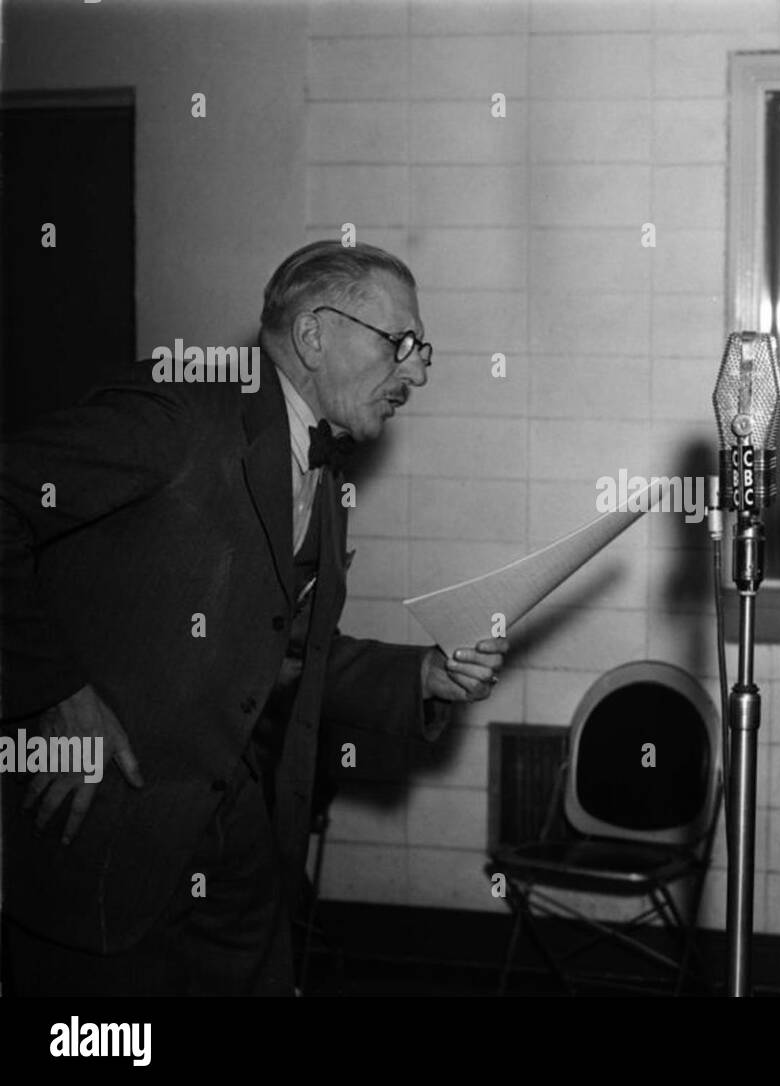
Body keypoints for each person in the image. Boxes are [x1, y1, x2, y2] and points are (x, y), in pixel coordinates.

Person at [0, 241, 508, 995]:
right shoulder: (182, 411)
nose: (420, 371)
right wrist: (57, 691)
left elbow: (292, 651)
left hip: (238, 849)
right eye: (402, 344)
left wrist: (424, 676)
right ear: (313, 334)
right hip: (108, 843)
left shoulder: (320, 461)